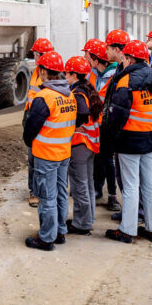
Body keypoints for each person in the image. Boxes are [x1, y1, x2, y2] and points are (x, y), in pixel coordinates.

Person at [102, 39, 152, 244]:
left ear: (129, 59)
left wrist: (108, 141)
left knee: (131, 185)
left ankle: (127, 230)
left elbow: (116, 116)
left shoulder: (125, 81)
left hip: (130, 140)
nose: (122, 61)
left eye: (124, 58)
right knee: (150, 184)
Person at [23, 51, 75, 251]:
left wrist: (29, 142)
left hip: (46, 155)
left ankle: (46, 238)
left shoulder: (44, 96)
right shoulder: (69, 94)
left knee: (47, 197)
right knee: (61, 193)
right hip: (63, 153)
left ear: (44, 71)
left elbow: (31, 127)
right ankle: (60, 232)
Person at [65, 55, 103, 235]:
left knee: (79, 186)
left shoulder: (78, 93)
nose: (65, 76)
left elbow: (81, 113)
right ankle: (88, 218)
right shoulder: (88, 88)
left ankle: (82, 224)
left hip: (80, 144)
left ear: (73, 75)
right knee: (87, 184)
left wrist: (70, 125)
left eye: (66, 73)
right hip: (90, 143)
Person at [84, 37, 119, 209]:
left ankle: (112, 196)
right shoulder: (92, 73)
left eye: (87, 55)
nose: (85, 58)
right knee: (97, 157)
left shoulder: (115, 75)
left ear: (96, 59)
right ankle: (97, 189)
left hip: (108, 124)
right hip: (95, 122)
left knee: (107, 159)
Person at [98, 29, 130, 212]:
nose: (106, 52)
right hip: (114, 123)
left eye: (108, 47)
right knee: (116, 165)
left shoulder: (126, 70)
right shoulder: (119, 68)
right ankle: (123, 206)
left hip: (124, 127)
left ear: (117, 49)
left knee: (127, 172)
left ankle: (133, 214)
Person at [25, 37, 54, 208]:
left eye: (36, 54)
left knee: (42, 159)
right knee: (32, 158)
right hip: (32, 115)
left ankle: (42, 191)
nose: (34, 58)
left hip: (45, 119)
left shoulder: (51, 73)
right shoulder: (36, 71)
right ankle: (33, 190)